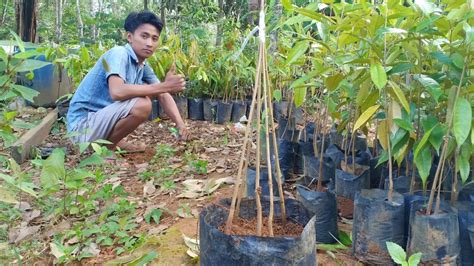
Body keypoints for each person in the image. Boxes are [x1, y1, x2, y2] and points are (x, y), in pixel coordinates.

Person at [66, 11, 188, 152]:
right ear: (129, 37)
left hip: (98, 123)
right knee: (142, 104)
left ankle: (112, 142)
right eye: (144, 36)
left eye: (155, 39)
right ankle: (106, 149)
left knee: (148, 94)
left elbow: (163, 93)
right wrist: (164, 86)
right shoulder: (119, 53)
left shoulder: (142, 64)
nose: (149, 43)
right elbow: (117, 92)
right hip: (81, 128)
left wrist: (180, 125)